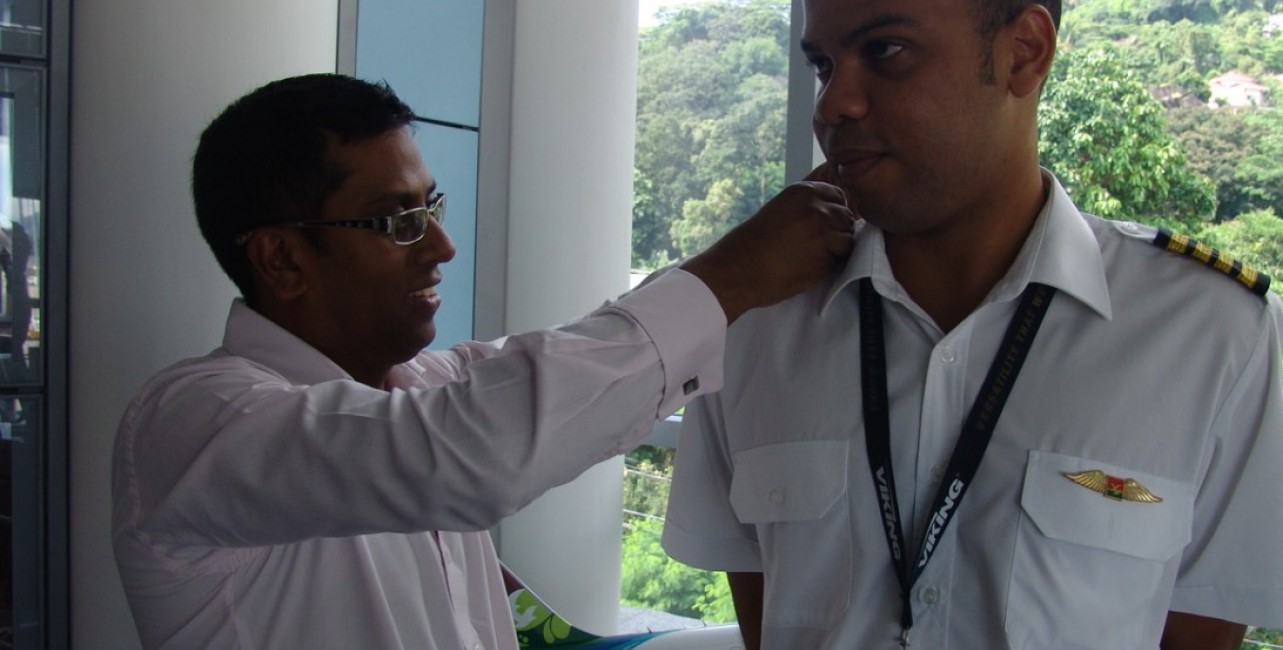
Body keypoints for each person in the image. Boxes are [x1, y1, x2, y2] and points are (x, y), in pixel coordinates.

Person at [110, 73, 855, 650]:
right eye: (400, 221)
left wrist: (750, 275)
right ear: (282, 257)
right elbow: (469, 453)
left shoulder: (420, 391)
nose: (441, 246)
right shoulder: (193, 421)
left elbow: (563, 361)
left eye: (432, 208)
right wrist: (732, 277)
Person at [661, 1, 1283, 649]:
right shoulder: (755, 324)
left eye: (885, 51)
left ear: (1024, 52)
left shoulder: (1204, 330)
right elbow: (760, 599)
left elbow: (1204, 623)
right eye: (823, 64)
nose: (834, 104)